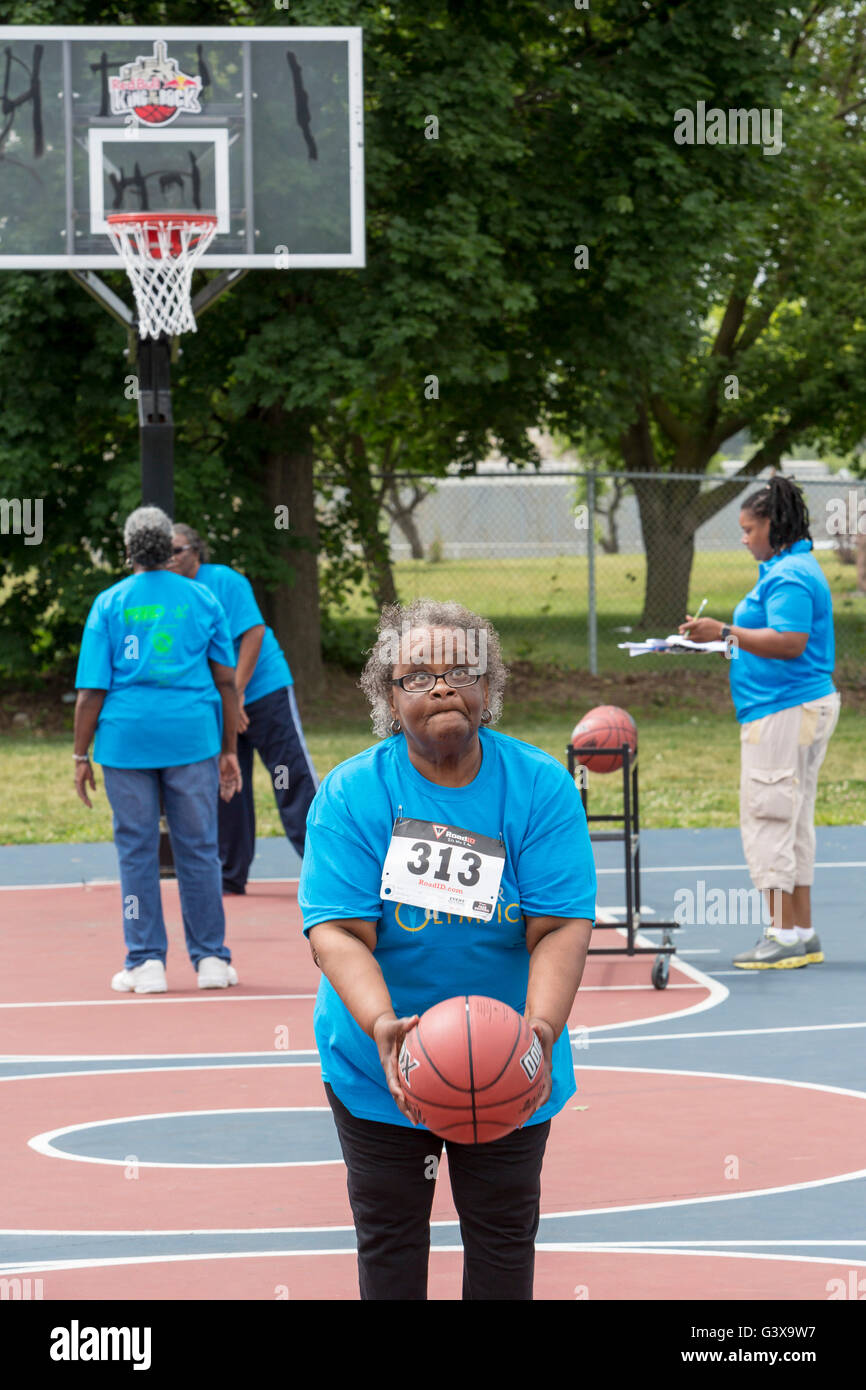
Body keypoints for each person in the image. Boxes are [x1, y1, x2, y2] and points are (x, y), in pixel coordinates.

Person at [298, 598, 596, 1300]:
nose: (440, 686)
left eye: (460, 669)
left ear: (487, 688)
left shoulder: (540, 787)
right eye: (416, 676)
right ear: (386, 697)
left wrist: (541, 1033)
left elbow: (559, 924)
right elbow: (337, 931)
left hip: (507, 1055)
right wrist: (383, 1028)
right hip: (380, 1064)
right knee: (391, 1243)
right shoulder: (353, 795)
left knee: (501, 1241)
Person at [73, 506, 243, 993]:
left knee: (136, 850)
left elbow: (90, 693)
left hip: (125, 740)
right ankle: (211, 958)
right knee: (199, 848)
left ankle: (146, 962)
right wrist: (228, 749)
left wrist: (80, 755)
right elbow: (227, 683)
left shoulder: (109, 603)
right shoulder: (202, 598)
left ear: (128, 550)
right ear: (168, 549)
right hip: (191, 737)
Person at [679, 475, 840, 969]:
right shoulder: (789, 566)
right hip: (794, 707)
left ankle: (782, 933)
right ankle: (802, 931)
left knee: (768, 818)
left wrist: (724, 629)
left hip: (783, 711)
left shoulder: (789, 574)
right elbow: (774, 638)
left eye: (750, 528)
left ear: (774, 525)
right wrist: (719, 641)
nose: (745, 537)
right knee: (792, 819)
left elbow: (790, 642)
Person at [168, 524, 318, 894]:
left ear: (196, 551)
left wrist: (237, 695)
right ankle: (229, 874)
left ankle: (328, 868)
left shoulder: (223, 581)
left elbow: (254, 633)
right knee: (228, 781)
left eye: (178, 550)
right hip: (221, 699)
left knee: (289, 777)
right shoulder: (170, 595)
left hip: (262, 691)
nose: (171, 558)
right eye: (165, 552)